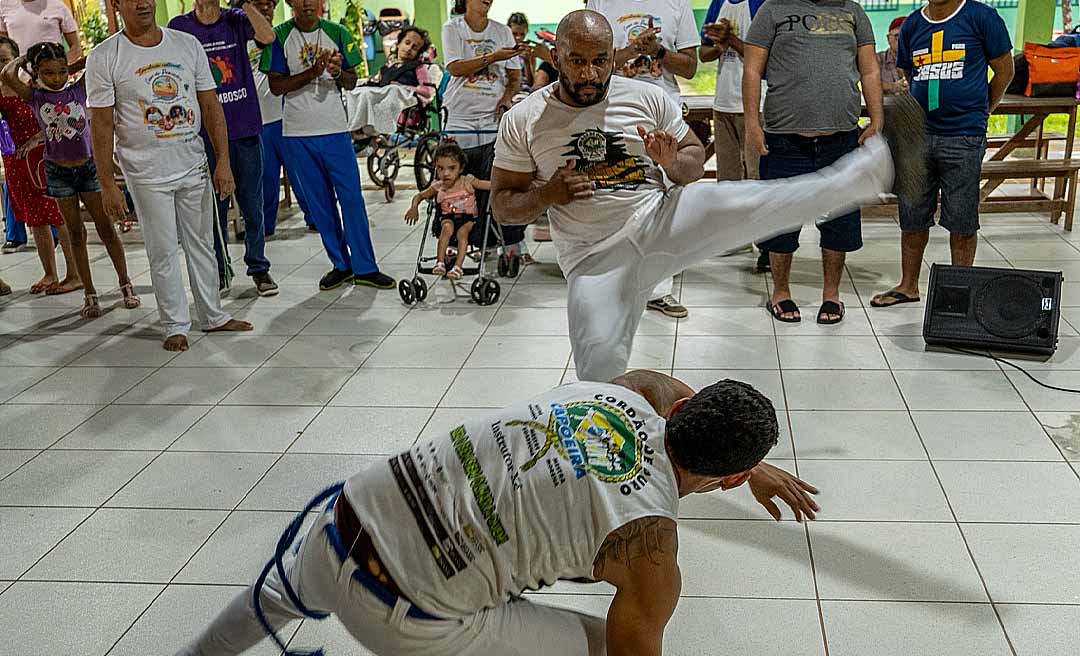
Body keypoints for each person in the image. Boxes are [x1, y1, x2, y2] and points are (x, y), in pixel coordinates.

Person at [180, 369, 822, 656]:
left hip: (344, 521)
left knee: (282, 594)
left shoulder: (617, 392)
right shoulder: (651, 545)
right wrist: (750, 470)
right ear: (730, 477)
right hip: (406, 618)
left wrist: (748, 465)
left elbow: (669, 388)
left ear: (680, 415)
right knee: (599, 644)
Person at [492, 10, 916, 383]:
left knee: (749, 203)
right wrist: (546, 194)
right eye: (577, 61)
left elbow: (693, 162)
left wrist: (671, 161)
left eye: (599, 61)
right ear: (555, 58)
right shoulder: (525, 119)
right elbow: (503, 206)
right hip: (592, 260)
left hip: (656, 220)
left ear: (612, 56)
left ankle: (874, 168)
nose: (589, 74)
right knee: (596, 368)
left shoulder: (645, 97)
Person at [86, 0, 253, 351]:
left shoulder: (186, 44)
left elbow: (210, 104)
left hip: (193, 163)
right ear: (116, 4)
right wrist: (107, 185)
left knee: (203, 244)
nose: (143, 3)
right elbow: (100, 126)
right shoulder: (104, 57)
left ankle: (213, 315)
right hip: (145, 173)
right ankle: (174, 323)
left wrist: (222, 160)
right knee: (162, 250)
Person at [743, 0, 883, 325]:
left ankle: (831, 294)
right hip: (784, 138)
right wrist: (752, 123)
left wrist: (877, 118)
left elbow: (870, 68)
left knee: (839, 221)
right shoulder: (772, 9)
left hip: (842, 137)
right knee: (779, 219)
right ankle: (780, 292)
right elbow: (752, 68)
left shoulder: (853, 11)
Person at [871, 0, 1013, 309]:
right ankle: (908, 285)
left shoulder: (981, 17)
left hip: (963, 134)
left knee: (961, 219)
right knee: (911, 215)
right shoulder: (911, 25)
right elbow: (909, 73)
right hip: (917, 135)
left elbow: (1005, 70)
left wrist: (981, 110)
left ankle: (960, 291)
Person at [260, 0, 395, 292]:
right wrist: (312, 72)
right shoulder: (279, 36)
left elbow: (350, 80)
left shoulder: (338, 31)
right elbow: (276, 86)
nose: (308, 3)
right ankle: (341, 265)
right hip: (296, 133)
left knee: (352, 199)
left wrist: (334, 72)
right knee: (320, 204)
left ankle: (366, 267)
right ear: (290, 3)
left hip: (334, 129)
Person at [1, 42, 140, 318]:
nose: (56, 78)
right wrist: (25, 60)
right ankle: (89, 293)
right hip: (58, 172)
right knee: (75, 233)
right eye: (49, 73)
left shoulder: (78, 89)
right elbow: (6, 75)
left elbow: (97, 59)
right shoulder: (35, 97)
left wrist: (75, 67)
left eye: (61, 71)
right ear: (37, 73)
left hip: (88, 168)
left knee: (106, 229)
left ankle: (126, 283)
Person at [587, 0, 699, 321]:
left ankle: (659, 290)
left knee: (666, 200)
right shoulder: (601, 2)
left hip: (664, 113)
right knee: (613, 195)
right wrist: (632, 50)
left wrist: (659, 52)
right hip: (614, 110)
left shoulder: (678, 4)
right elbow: (594, 64)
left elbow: (690, 67)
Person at [170, 0, 278, 298]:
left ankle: (259, 267)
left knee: (251, 204)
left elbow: (268, 37)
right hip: (203, 133)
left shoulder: (236, 19)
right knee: (213, 210)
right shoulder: (180, 27)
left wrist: (243, 2)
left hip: (244, 128)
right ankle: (219, 270)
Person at [0, 35, 77, 295]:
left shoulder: (34, 86)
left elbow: (58, 117)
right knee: (36, 219)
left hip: (46, 155)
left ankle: (74, 272)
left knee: (60, 215)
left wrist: (36, 139)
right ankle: (49, 272)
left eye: (4, 60)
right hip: (16, 160)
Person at [246, 0, 314, 236]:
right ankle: (265, 225)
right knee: (266, 178)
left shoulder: (283, 37)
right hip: (257, 122)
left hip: (286, 118)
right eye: (258, 4)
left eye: (269, 5)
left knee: (300, 173)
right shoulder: (240, 39)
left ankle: (314, 217)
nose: (265, 9)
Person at [441, 0, 523, 150]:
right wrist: (493, 57)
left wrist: (506, 98)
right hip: (460, 116)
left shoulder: (503, 31)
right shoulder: (452, 27)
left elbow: (515, 76)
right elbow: (454, 68)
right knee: (456, 169)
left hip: (492, 118)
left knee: (489, 170)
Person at [404, 141, 491, 280]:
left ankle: (457, 267)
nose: (446, 173)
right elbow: (420, 195)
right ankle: (440, 263)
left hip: (467, 219)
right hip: (448, 217)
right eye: (440, 168)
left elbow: (489, 185)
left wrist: (506, 184)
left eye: (451, 168)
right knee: (446, 229)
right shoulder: (438, 186)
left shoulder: (467, 181)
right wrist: (413, 207)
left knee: (462, 234)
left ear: (461, 168)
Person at [699, 0, 764, 182]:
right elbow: (703, 54)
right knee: (727, 179)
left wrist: (730, 40)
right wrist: (720, 47)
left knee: (756, 176)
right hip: (723, 104)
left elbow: (766, 56)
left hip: (755, 106)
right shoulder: (718, 3)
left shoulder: (761, 4)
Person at [349, 26, 437, 142]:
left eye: (414, 47)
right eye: (407, 43)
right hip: (382, 100)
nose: (409, 48)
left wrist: (404, 87)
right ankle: (354, 127)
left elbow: (428, 92)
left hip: (404, 109)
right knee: (360, 92)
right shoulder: (386, 68)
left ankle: (375, 128)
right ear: (399, 43)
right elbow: (377, 83)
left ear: (418, 53)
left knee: (392, 91)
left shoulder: (419, 68)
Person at [0, 0, 82, 63]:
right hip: (18, 79)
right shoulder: (3, 5)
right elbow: (3, 47)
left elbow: (76, 47)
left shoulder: (57, 5)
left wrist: (59, 67)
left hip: (54, 81)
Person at [879, 16, 907, 95]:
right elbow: (868, 83)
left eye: (907, 37)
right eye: (897, 37)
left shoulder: (922, 59)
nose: (902, 41)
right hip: (886, 107)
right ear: (888, 39)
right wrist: (892, 86)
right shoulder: (877, 59)